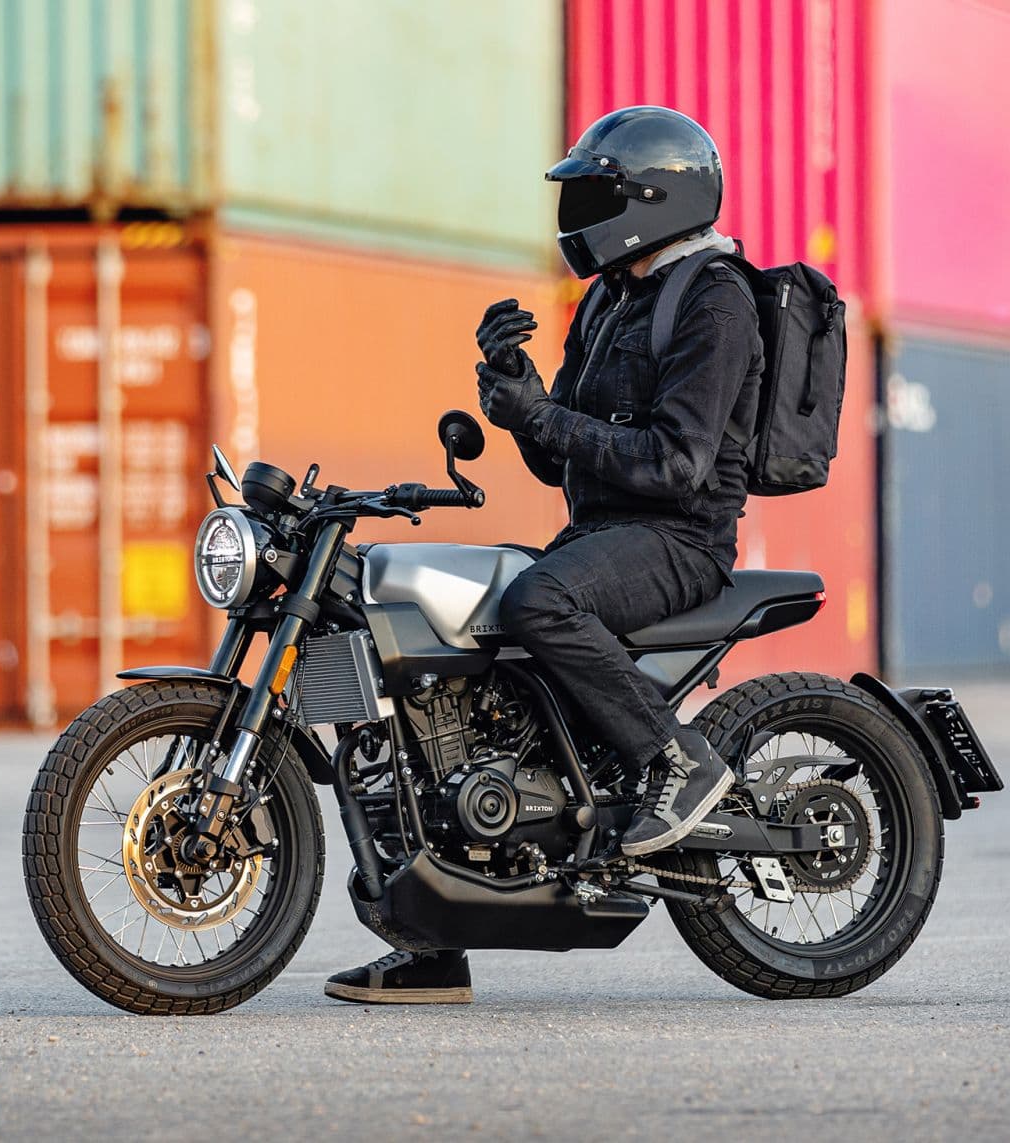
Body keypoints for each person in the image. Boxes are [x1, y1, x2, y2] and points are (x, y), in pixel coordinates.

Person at [324, 106, 765, 1007]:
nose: (580, 213)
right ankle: (433, 941)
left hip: (677, 541)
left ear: (654, 198)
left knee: (537, 603)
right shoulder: (610, 298)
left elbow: (677, 463)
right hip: (601, 535)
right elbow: (559, 448)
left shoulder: (717, 297)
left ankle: (678, 761)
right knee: (439, 695)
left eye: (597, 192)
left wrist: (544, 417)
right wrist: (515, 397)